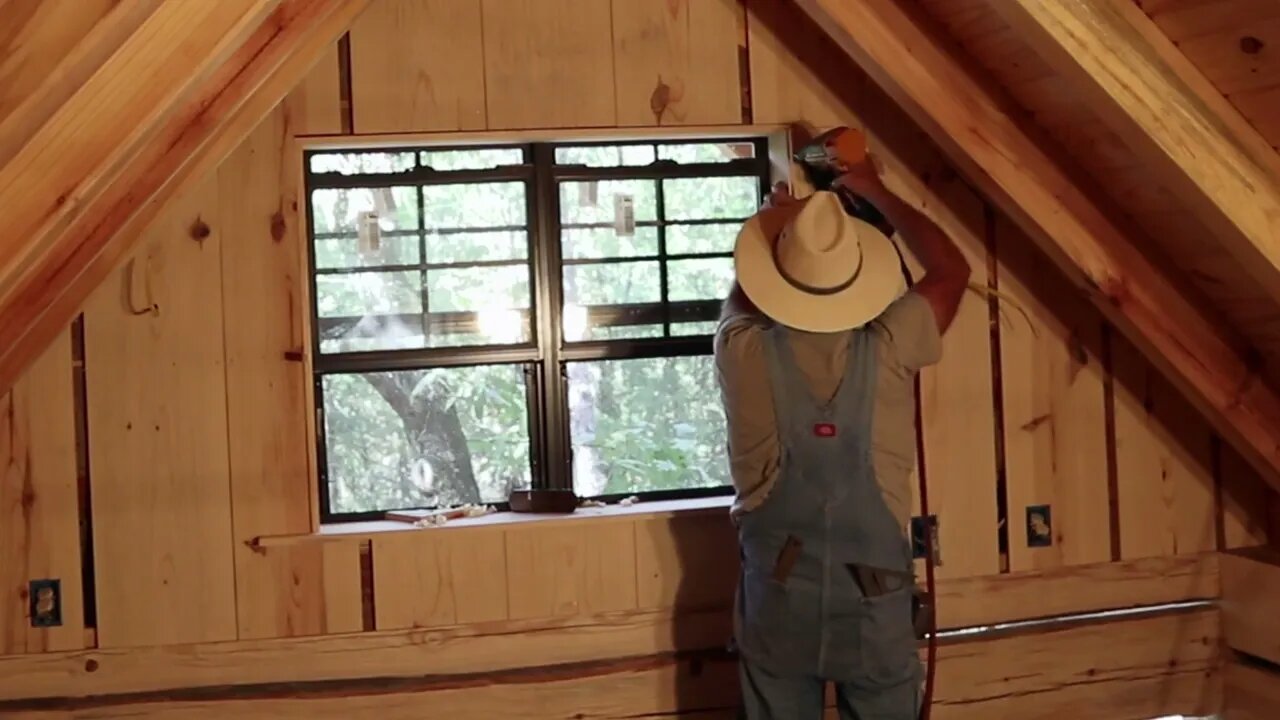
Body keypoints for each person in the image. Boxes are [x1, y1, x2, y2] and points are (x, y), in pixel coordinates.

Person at [715, 153, 969, 720]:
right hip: (873, 611)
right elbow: (952, 272)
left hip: (777, 610)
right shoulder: (893, 342)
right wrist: (877, 191)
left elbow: (743, 296)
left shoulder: (741, 352)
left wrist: (776, 225)